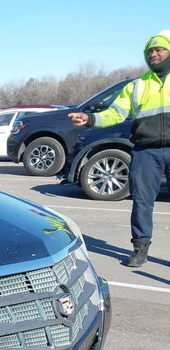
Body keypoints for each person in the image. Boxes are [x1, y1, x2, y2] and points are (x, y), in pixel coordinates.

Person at [69, 30, 170, 267]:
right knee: (142, 201)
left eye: (159, 50)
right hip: (146, 151)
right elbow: (115, 113)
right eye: (150, 51)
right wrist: (90, 119)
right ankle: (140, 248)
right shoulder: (137, 85)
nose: (154, 54)